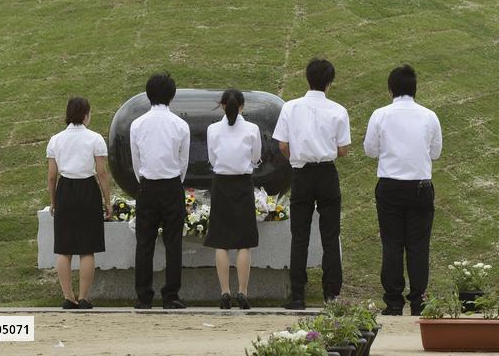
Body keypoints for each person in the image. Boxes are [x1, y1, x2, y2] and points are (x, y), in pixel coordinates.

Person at [363, 64, 442, 316]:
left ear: (391, 89)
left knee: (392, 244)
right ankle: (419, 300)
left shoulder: (381, 114)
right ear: (415, 88)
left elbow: (370, 150)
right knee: (419, 246)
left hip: (390, 186)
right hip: (420, 186)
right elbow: (436, 153)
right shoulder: (429, 116)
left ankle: (394, 301)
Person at [272, 58, 351, 310]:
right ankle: (331, 294)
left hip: (302, 173)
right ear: (330, 82)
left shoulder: (291, 107)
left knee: (300, 236)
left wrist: (296, 157)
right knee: (330, 235)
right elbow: (343, 150)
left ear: (307, 78)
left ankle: (297, 295)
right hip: (327, 173)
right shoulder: (338, 110)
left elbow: (282, 145)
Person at [130, 72, 190, 309]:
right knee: (173, 243)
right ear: (172, 96)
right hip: (172, 185)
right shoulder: (180, 125)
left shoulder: (137, 124)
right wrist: (176, 181)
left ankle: (144, 296)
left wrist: (143, 180)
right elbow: (183, 161)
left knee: (144, 242)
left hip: (147, 185)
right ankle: (171, 295)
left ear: (148, 95)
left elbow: (136, 160)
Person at [46, 96, 112, 310]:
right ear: (86, 114)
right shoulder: (95, 139)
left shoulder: (56, 140)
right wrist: (107, 201)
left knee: (64, 248)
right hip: (88, 190)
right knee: (87, 248)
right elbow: (102, 173)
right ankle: (84, 297)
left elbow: (51, 176)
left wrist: (53, 201)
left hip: (65, 189)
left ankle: (68, 297)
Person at [204, 88, 262, 309]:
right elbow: (256, 157)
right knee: (244, 242)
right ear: (242, 106)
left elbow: (211, 157)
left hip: (221, 183)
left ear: (221, 105)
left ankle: (224, 291)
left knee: (221, 240)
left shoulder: (212, 129)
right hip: (243, 183)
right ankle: (243, 292)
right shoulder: (252, 129)